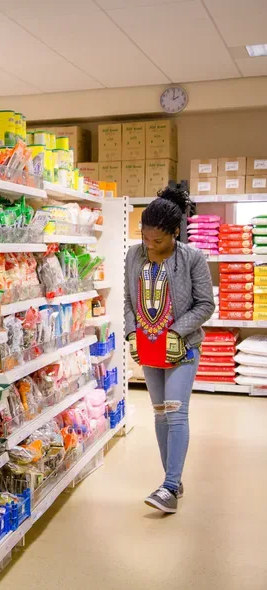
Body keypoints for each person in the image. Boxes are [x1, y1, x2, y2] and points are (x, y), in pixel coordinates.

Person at [123, 186, 215, 514]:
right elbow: (128, 301)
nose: (149, 245)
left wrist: (177, 331)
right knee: (160, 413)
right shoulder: (133, 255)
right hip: (148, 348)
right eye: (145, 237)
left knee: (176, 411)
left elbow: (206, 304)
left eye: (157, 240)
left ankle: (170, 487)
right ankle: (172, 479)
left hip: (183, 348)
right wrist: (132, 333)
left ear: (175, 233)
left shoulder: (193, 258)